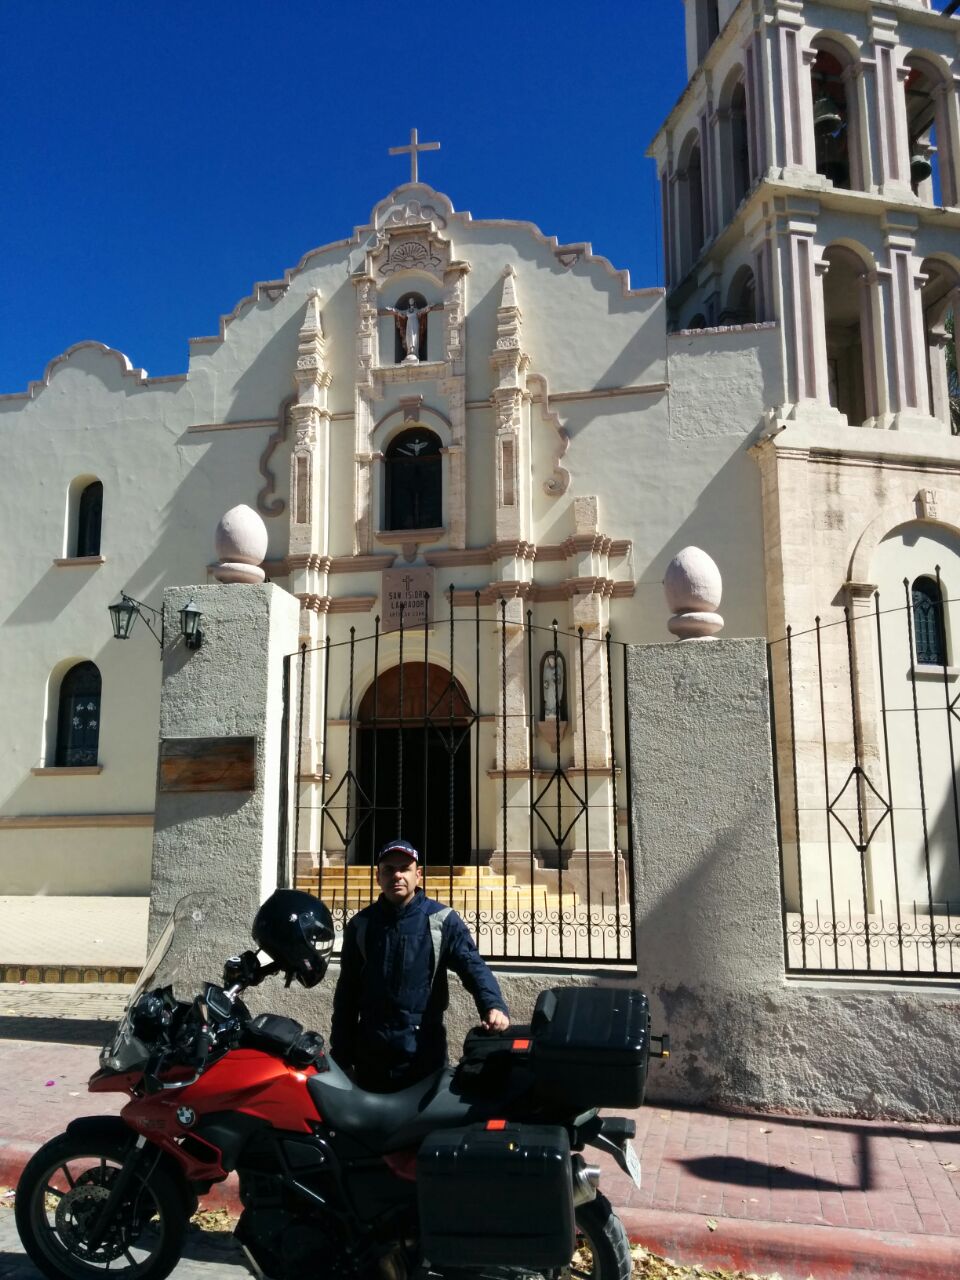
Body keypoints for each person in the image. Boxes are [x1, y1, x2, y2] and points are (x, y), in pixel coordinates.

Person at [330, 838, 510, 1092]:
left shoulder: (441, 921)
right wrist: (342, 1056)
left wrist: (493, 1005)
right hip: (371, 1058)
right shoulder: (362, 925)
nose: (397, 875)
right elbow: (346, 994)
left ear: (418, 875)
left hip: (423, 1057)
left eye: (404, 868)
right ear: (378, 877)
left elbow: (473, 966)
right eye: (389, 869)